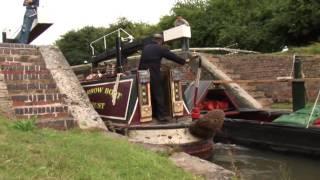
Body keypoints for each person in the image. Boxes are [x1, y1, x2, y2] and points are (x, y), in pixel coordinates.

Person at [139, 33, 187, 123]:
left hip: (143, 74)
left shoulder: (145, 48)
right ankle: (161, 117)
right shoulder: (160, 48)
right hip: (153, 73)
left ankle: (150, 114)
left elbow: (142, 61)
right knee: (159, 94)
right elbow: (171, 56)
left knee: (148, 95)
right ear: (160, 41)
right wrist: (183, 61)